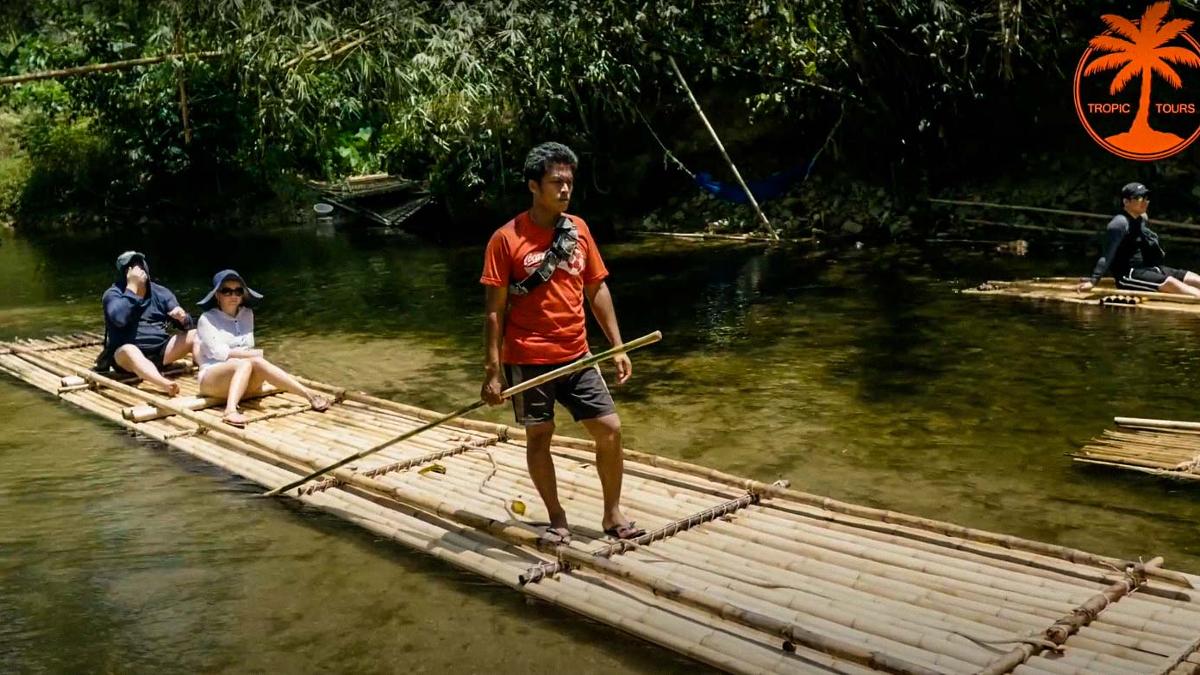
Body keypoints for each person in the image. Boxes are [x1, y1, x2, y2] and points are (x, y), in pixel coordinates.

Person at [479, 142, 644, 545]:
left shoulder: (579, 230)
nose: (565, 189)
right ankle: (556, 517)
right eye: (556, 182)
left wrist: (617, 346)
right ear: (534, 186)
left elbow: (596, 289)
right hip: (528, 358)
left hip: (577, 355)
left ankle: (612, 514)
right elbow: (494, 311)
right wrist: (493, 372)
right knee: (540, 435)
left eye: (569, 181)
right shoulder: (506, 239)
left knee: (609, 429)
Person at [194, 269, 330, 428]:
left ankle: (309, 395)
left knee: (255, 362)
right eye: (227, 291)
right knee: (247, 361)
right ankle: (230, 410)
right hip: (213, 379)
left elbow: (247, 347)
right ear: (217, 295)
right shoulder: (207, 319)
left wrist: (251, 355)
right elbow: (218, 353)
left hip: (244, 377)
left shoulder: (247, 314)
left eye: (238, 291)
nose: (233, 296)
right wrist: (250, 355)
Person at [97, 251, 196, 396]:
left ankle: (208, 371)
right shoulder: (113, 294)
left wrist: (183, 318)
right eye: (131, 267)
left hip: (160, 352)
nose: (138, 270)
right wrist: (132, 288)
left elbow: (186, 325)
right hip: (126, 358)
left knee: (195, 335)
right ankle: (164, 384)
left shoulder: (161, 293)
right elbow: (119, 319)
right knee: (129, 350)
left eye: (140, 265)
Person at [1078, 182, 1200, 297]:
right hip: (1128, 275)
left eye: (1146, 198)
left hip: (1149, 268)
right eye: (1139, 198)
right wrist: (1094, 280)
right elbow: (1107, 254)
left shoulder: (1142, 218)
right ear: (1126, 202)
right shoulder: (1119, 223)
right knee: (1171, 283)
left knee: (1193, 278)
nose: (1145, 202)